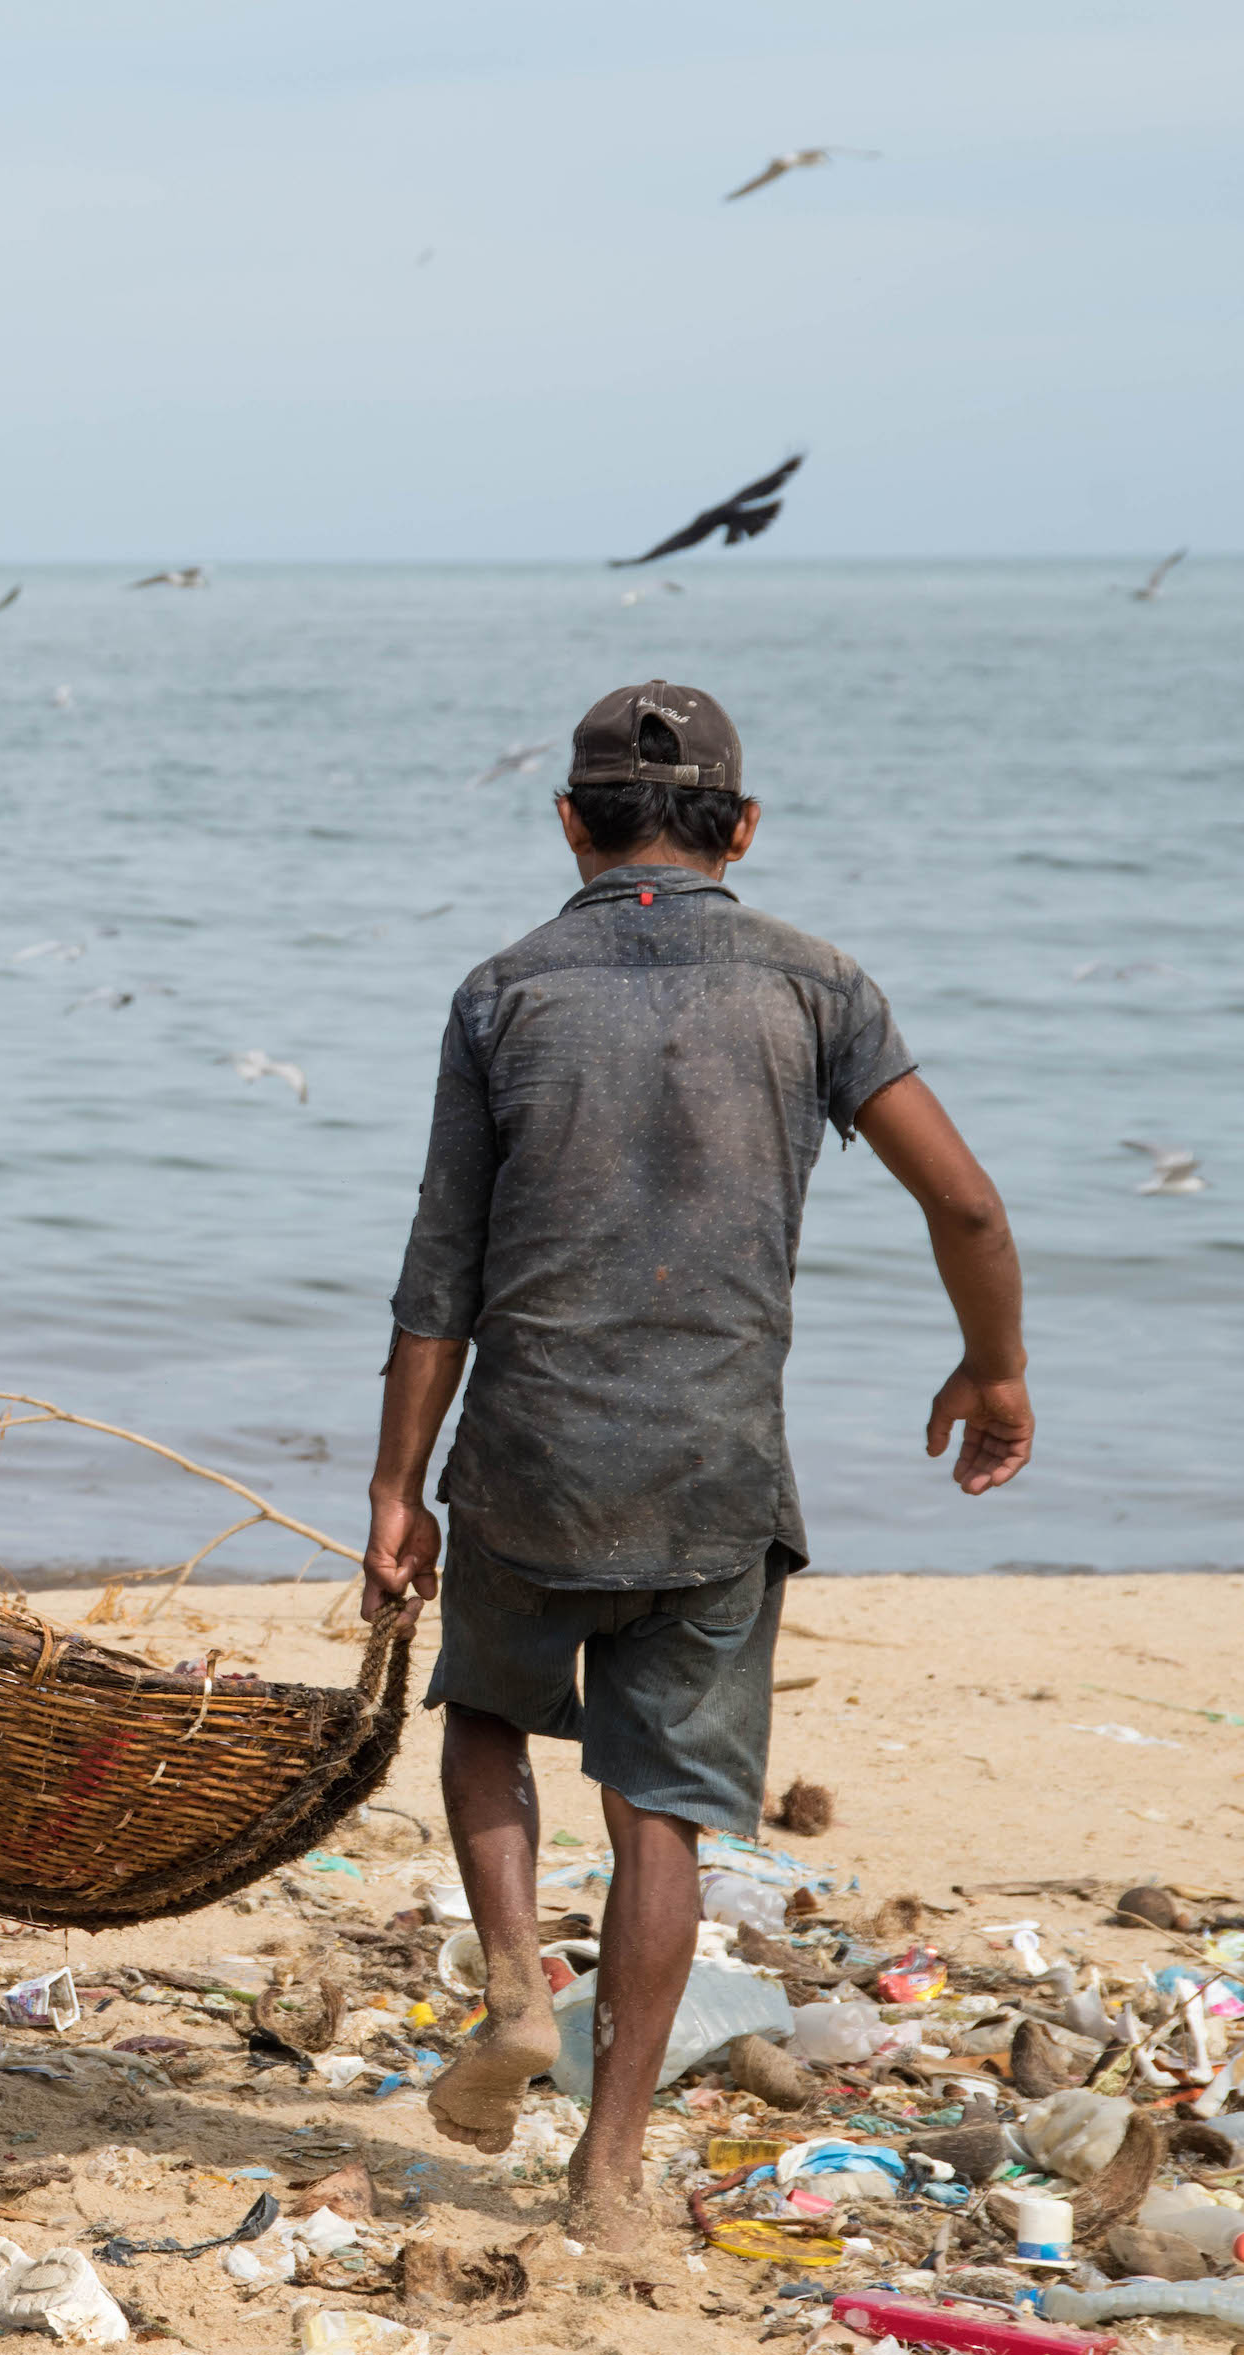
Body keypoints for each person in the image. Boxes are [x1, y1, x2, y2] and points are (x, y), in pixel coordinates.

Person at [360, 680, 1033, 2248]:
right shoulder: (821, 987)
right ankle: (608, 2170)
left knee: (481, 1715)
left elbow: (438, 1271)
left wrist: (399, 1485)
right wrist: (993, 1367)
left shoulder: (501, 993)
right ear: (741, 828)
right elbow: (973, 1207)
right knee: (661, 1809)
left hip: (530, 1454)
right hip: (717, 1469)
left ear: (570, 823)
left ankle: (518, 1981)